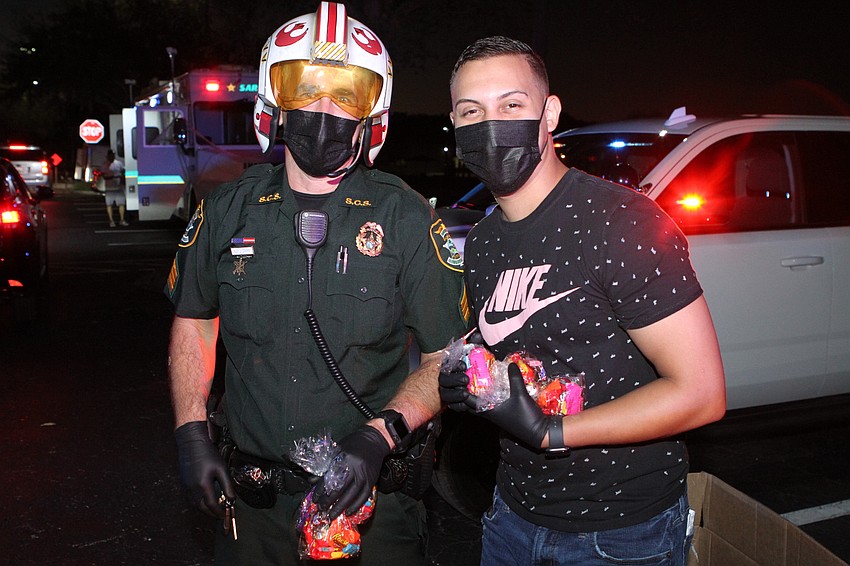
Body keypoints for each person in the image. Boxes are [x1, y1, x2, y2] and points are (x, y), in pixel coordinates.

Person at [164, 3, 468, 564]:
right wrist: (190, 433)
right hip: (252, 510)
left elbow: (446, 357)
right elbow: (195, 321)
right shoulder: (227, 212)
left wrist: (380, 436)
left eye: (345, 93)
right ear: (272, 101)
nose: (323, 109)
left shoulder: (406, 219)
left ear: (372, 113)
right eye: (305, 88)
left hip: (373, 511)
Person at [439, 36, 726, 565]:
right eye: (470, 111)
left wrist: (552, 433)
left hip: (619, 534)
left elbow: (701, 393)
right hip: (511, 515)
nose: (490, 125)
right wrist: (473, 378)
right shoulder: (481, 242)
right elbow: (520, 354)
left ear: (548, 114)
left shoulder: (619, 221)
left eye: (511, 105)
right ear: (456, 126)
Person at [100, 149, 128, 227]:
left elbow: (123, 172)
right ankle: (111, 221)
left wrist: (122, 179)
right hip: (109, 188)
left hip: (119, 187)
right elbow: (104, 177)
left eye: (113, 155)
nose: (111, 156)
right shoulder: (104, 165)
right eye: (110, 155)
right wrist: (113, 176)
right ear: (107, 156)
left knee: (121, 204)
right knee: (109, 205)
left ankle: (122, 220)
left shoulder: (119, 164)